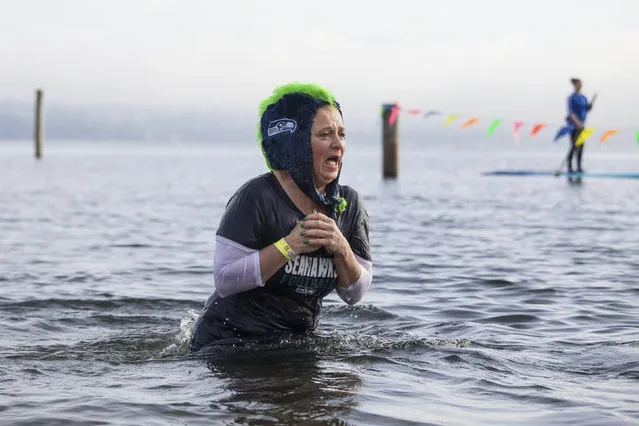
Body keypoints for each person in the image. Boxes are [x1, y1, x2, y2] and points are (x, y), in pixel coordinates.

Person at [189, 82, 373, 352]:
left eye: (342, 134)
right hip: (229, 344)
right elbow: (225, 280)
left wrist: (341, 247)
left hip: (293, 345)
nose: (338, 144)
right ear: (296, 144)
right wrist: (289, 245)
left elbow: (354, 294)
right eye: (325, 135)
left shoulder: (349, 205)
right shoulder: (256, 197)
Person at [566, 78, 597, 173]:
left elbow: (586, 109)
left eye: (581, 84)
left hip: (582, 125)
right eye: (579, 84)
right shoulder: (571, 97)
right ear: (575, 85)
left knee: (581, 146)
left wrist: (593, 102)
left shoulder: (583, 97)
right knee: (574, 146)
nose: (580, 86)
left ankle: (579, 167)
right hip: (573, 125)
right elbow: (571, 112)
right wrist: (577, 122)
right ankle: (570, 167)